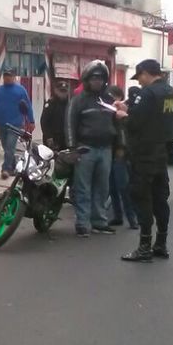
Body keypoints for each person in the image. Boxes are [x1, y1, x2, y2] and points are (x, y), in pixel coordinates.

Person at [121, 59, 173, 263]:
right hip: (162, 151)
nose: (140, 82)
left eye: (140, 77)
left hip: (144, 153)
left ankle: (144, 247)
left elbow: (135, 122)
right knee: (160, 199)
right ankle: (161, 243)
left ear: (145, 73)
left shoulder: (148, 93)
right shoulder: (170, 92)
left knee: (142, 197)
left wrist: (122, 115)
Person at [67, 60, 118, 237]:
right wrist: (73, 148)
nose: (97, 81)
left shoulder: (110, 100)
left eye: (101, 78)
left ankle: (99, 222)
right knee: (83, 188)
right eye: (94, 78)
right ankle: (82, 223)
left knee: (103, 188)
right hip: (85, 150)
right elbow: (69, 125)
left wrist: (120, 147)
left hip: (106, 150)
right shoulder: (78, 101)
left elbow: (118, 124)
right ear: (87, 80)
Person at [0, 67, 35, 179]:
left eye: (9, 76)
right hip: (1, 123)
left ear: (14, 77)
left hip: (15, 124)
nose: (7, 78)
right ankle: (12, 167)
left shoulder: (21, 90)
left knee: (10, 147)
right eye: (5, 76)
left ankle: (5, 169)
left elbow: (28, 106)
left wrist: (31, 120)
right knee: (6, 146)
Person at [105, 85, 139, 229]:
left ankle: (132, 218)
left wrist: (122, 149)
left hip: (119, 151)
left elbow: (124, 132)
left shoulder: (122, 111)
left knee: (123, 186)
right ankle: (118, 216)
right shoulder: (106, 110)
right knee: (112, 186)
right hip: (109, 150)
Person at [40, 80, 71, 150]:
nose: (63, 93)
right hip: (53, 139)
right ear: (56, 90)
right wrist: (48, 137)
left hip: (65, 139)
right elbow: (44, 122)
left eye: (65, 91)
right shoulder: (50, 104)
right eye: (61, 91)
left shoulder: (70, 104)